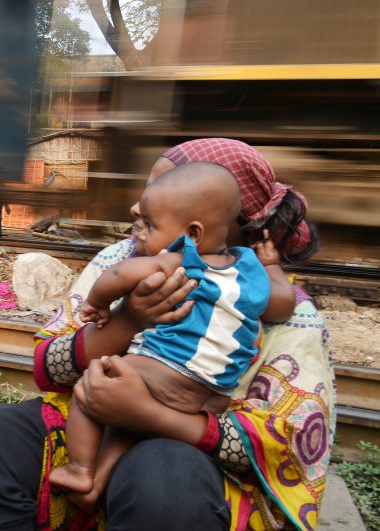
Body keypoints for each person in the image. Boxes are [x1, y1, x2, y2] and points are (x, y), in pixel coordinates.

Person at [0, 138, 333, 531]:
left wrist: (148, 414)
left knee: (163, 482)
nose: (133, 207)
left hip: (196, 459)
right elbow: (48, 366)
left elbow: (284, 448)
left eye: (155, 194)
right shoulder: (121, 258)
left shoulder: (288, 311)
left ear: (211, 223)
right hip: (88, 432)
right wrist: (127, 321)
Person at [48, 162, 295, 511]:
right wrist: (271, 266)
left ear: (192, 233)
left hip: (163, 371)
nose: (142, 228)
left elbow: (120, 274)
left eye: (150, 224)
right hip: (212, 394)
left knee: (93, 388)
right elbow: (283, 306)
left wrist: (99, 304)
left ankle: (80, 468)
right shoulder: (248, 268)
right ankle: (97, 482)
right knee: (127, 421)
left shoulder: (180, 260)